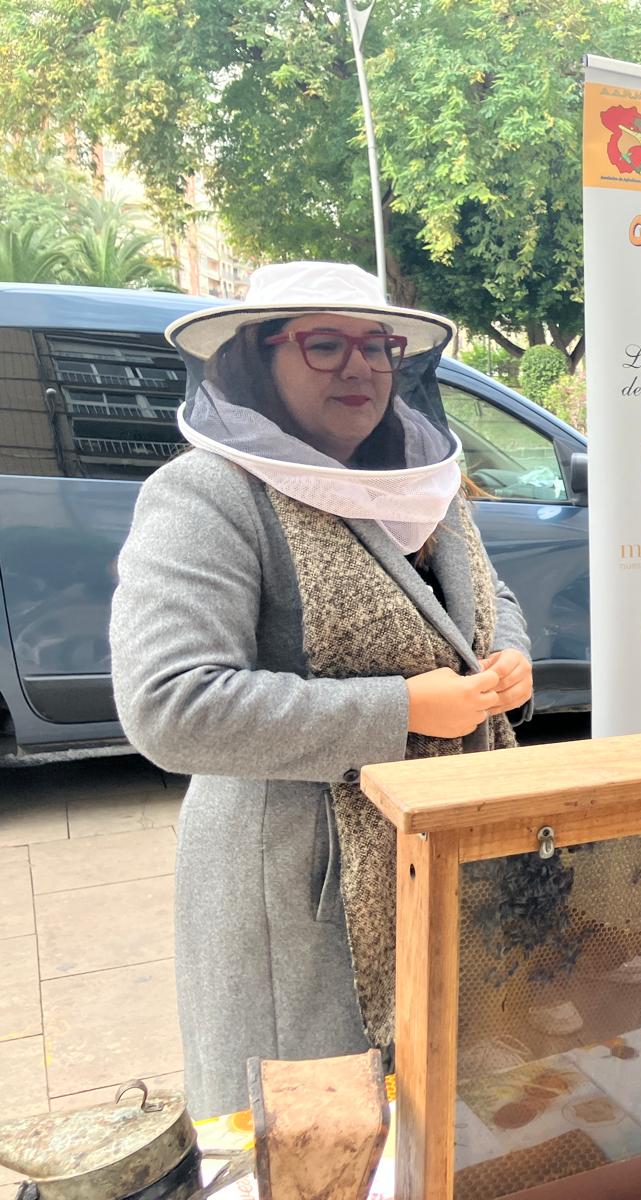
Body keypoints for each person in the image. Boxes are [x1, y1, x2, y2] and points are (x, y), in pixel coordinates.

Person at [110, 262, 535, 1117]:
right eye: (326, 344)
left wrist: (509, 661)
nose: (363, 367)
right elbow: (168, 703)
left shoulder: (422, 488)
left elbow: (487, 604)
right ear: (255, 360)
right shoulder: (207, 495)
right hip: (300, 896)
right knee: (315, 1138)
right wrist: (402, 711)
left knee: (445, 1110)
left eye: (377, 344)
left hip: (447, 854)